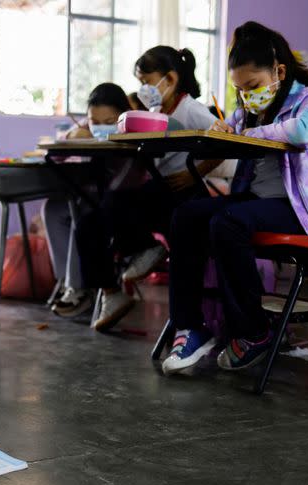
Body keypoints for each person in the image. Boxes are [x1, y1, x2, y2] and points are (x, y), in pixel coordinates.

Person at [162, 21, 308, 373]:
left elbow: (302, 131)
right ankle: (190, 326)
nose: (247, 96)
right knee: (187, 215)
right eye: (240, 89)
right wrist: (222, 129)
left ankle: (254, 331)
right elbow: (232, 128)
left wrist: (249, 129)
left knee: (227, 223)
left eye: (252, 86)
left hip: (305, 209)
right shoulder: (251, 107)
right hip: (259, 202)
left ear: (279, 71)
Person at [80, 46, 220, 332]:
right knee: (90, 223)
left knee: (115, 206)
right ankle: (114, 292)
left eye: (146, 81)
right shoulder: (155, 110)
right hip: (160, 190)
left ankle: (151, 254)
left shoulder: (191, 109)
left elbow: (223, 143)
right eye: (140, 81)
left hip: (184, 194)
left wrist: (194, 175)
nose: (143, 88)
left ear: (169, 79)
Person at [43, 83, 146, 317]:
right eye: (94, 122)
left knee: (81, 207)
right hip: (93, 192)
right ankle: (67, 281)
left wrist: (101, 198)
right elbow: (56, 158)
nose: (100, 128)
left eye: (108, 121)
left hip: (122, 197)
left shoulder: (134, 136)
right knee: (53, 208)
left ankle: (79, 289)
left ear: (122, 116)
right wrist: (72, 135)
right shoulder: (86, 131)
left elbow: (126, 179)